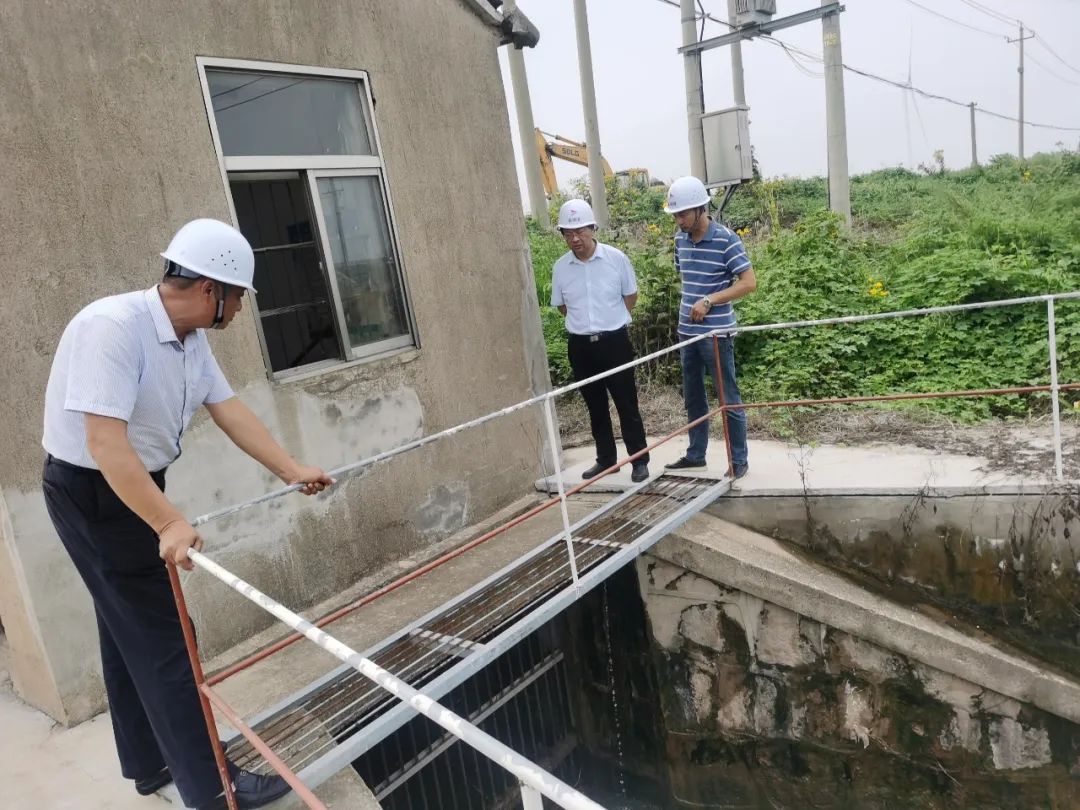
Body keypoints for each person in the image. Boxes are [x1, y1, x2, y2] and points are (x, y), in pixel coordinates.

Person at [41, 219, 336, 809]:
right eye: (239, 297)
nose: (241, 309)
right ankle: (215, 788)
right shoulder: (112, 328)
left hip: (128, 484)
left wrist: (289, 468)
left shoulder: (189, 339)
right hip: (94, 490)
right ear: (209, 290)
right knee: (169, 640)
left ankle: (150, 762)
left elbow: (227, 409)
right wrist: (167, 522)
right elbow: (104, 443)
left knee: (125, 627)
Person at [550, 199, 650, 483]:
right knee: (595, 407)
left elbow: (630, 296)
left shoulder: (616, 259)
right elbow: (562, 306)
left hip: (614, 342)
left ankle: (639, 460)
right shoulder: (561, 268)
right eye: (568, 233)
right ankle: (606, 460)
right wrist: (585, 324)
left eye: (580, 231)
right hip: (581, 346)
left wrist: (610, 321)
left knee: (626, 404)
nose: (575, 238)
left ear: (592, 228)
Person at [662, 177, 756, 478]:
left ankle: (738, 460)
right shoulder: (680, 240)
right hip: (687, 332)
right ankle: (695, 454)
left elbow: (748, 283)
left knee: (727, 397)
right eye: (675, 215)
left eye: (683, 214)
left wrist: (709, 300)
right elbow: (686, 276)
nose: (679, 221)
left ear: (701, 209)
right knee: (693, 396)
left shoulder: (726, 239)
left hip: (716, 334)